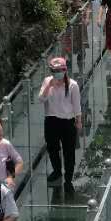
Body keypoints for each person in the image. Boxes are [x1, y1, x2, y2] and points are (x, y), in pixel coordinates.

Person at [39, 56, 82, 193]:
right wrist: (49, 86)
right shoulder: (47, 81)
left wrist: (78, 121)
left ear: (65, 70)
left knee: (69, 150)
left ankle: (68, 177)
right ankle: (57, 171)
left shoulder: (72, 85)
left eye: (60, 70)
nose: (57, 73)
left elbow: (77, 105)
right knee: (52, 148)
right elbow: (41, 99)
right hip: (51, 120)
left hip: (67, 122)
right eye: (54, 70)